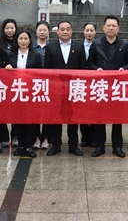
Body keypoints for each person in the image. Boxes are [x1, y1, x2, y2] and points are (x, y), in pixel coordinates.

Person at [87, 15, 128, 158]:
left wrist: (124, 69)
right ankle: (99, 146)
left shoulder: (124, 44)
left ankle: (117, 146)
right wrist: (96, 69)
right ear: (103, 28)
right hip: (100, 86)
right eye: (108, 25)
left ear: (118, 28)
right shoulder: (96, 43)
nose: (111, 28)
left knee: (117, 117)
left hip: (117, 86)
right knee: (99, 117)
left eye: (114, 26)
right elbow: (90, 63)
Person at [44, 20, 87, 156]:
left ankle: (73, 145)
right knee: (56, 117)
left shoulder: (79, 46)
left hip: (74, 88)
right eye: (62, 29)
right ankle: (56, 145)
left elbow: (83, 69)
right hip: (56, 88)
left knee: (73, 118)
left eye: (68, 29)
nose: (65, 31)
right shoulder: (50, 47)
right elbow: (47, 69)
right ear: (57, 32)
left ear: (71, 31)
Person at [7, 29, 42, 158]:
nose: (23, 41)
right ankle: (21, 145)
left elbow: (40, 73)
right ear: (17, 40)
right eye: (20, 38)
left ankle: (29, 145)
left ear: (30, 40)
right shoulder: (10, 55)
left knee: (30, 120)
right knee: (18, 119)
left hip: (31, 92)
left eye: (25, 38)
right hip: (16, 91)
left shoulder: (36, 55)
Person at [32, 20, 51, 150]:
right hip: (34, 84)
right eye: (40, 30)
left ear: (48, 31)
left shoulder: (53, 47)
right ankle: (36, 137)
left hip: (50, 84)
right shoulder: (31, 47)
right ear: (36, 31)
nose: (42, 32)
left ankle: (45, 137)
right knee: (35, 112)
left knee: (47, 113)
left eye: (44, 30)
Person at [81, 22, 97, 147]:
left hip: (95, 82)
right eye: (87, 30)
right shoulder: (78, 45)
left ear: (95, 32)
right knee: (82, 110)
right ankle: (85, 137)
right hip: (81, 82)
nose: (89, 33)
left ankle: (94, 137)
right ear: (83, 32)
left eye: (92, 30)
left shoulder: (99, 45)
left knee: (94, 110)